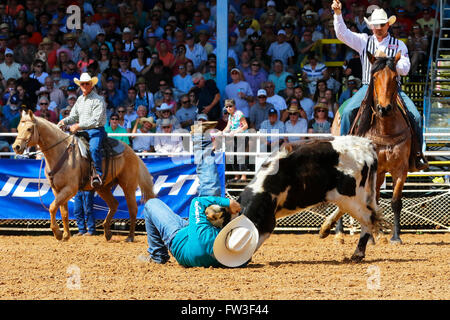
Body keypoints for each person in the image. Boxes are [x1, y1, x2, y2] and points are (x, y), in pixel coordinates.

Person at [331, 1, 428, 170]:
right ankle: (343, 152)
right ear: (371, 27)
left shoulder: (399, 45)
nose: (378, 28)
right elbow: (342, 34)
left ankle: (417, 154)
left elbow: (405, 68)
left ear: (388, 25)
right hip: (368, 87)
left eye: (382, 25)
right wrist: (338, 14)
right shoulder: (363, 41)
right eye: (375, 25)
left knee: (416, 117)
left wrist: (391, 65)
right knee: (347, 112)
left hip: (393, 89)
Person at [138, 195, 257, 268]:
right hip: (193, 241)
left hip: (179, 238)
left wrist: (228, 203)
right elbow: (244, 251)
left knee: (151, 204)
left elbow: (197, 201)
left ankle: (158, 256)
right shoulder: (239, 260)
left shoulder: (204, 233)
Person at [58, 73, 107, 187]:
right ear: (80, 85)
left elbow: (96, 120)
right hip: (81, 132)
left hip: (95, 131)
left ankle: (97, 174)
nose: (84, 85)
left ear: (91, 84)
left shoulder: (98, 100)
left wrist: (78, 126)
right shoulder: (79, 99)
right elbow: (74, 116)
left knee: (94, 149)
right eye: (82, 84)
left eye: (87, 83)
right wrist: (64, 121)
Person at [221, 99, 249, 182]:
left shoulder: (239, 114)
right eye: (227, 106)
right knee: (232, 156)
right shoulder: (230, 116)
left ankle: (243, 177)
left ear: (234, 106)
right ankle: (236, 176)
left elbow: (245, 126)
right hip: (234, 137)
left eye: (230, 106)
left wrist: (235, 132)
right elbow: (228, 127)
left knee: (240, 156)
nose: (229, 108)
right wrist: (221, 133)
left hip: (242, 136)